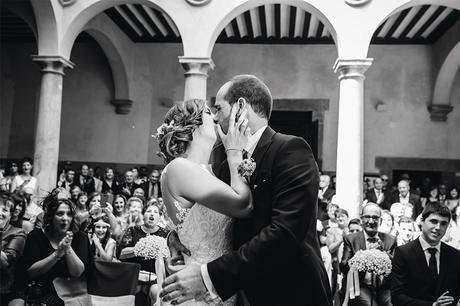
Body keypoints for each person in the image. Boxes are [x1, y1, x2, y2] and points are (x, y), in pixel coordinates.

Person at [160, 75, 332, 305]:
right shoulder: (221, 169)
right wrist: (176, 238)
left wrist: (209, 276)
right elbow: (195, 213)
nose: (216, 116)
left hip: (288, 292)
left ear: (240, 106)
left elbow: (285, 234)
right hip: (239, 295)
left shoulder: (290, 150)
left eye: (219, 108)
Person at [14, 196, 90, 305]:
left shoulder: (80, 237)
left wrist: (68, 248)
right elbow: (31, 272)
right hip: (36, 288)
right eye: (60, 214)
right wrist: (57, 254)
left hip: (68, 290)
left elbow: (77, 272)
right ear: (51, 217)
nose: (65, 218)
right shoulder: (36, 235)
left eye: (69, 214)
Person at [391, 202, 460, 306]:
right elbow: (397, 297)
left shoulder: (455, 255)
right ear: (422, 221)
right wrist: (432, 305)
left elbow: (455, 293)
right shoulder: (403, 253)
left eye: (443, 223)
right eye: (433, 221)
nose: (438, 227)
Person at [340, 203, 397, 306]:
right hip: (361, 286)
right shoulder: (351, 239)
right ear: (361, 219)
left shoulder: (390, 240)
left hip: (384, 288)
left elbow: (397, 268)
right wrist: (359, 258)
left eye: (375, 218)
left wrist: (384, 254)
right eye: (367, 217)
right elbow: (343, 267)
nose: (371, 221)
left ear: (380, 220)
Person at [118, 202, 169, 305]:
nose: (152, 214)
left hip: (155, 276)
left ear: (159, 217)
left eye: (156, 212)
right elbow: (120, 254)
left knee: (156, 293)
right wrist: (141, 248)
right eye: (148, 211)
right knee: (127, 293)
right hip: (134, 275)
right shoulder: (133, 230)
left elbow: (169, 256)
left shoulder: (165, 234)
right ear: (143, 215)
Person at [0, 192, 26, 304]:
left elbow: (5, 263)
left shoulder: (18, 233)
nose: (0, 213)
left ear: (10, 215)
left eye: (4, 210)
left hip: (3, 290)